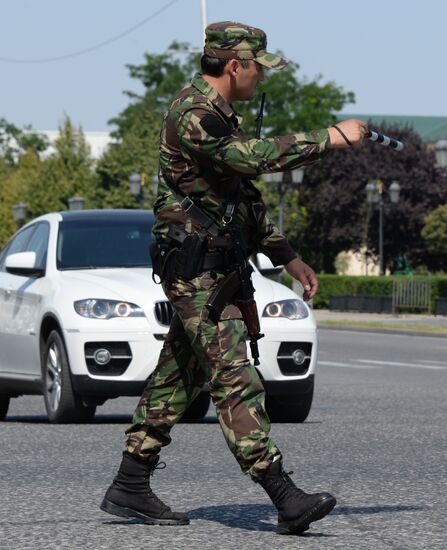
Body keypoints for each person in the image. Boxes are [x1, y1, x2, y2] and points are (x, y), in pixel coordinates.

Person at [101, 21, 368, 535]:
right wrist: (329, 138)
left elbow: (243, 200)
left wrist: (287, 256)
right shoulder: (195, 113)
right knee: (234, 379)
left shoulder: (223, 114)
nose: (261, 78)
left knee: (179, 375)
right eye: (257, 68)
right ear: (234, 66)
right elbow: (251, 159)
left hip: (217, 268)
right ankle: (285, 496)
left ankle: (131, 481)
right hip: (196, 270)